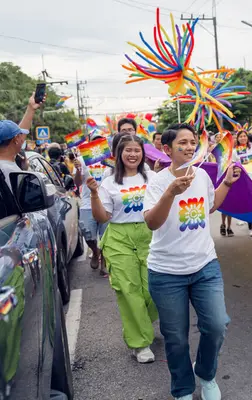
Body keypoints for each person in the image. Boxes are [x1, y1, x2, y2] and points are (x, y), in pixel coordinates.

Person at [143, 123, 241, 400]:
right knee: (175, 339)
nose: (188, 148)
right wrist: (171, 193)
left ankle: (206, 374)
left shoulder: (201, 176)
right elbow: (152, 222)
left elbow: (208, 206)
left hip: (205, 266)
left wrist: (226, 184)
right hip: (166, 273)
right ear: (167, 149)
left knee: (217, 324)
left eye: (191, 143)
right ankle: (182, 389)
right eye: (181, 144)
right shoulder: (159, 181)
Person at [85, 135, 158, 363]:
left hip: (151, 236)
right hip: (119, 238)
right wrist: (95, 195)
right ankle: (140, 343)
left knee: (153, 291)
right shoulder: (109, 183)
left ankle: (138, 325)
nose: (133, 154)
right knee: (129, 291)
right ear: (118, 154)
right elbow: (102, 216)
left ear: (142, 153)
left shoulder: (153, 178)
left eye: (137, 150)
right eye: (128, 150)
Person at [74, 130, 110, 276]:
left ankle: (104, 264)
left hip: (107, 203)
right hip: (87, 204)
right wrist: (77, 170)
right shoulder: (82, 160)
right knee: (88, 234)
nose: (98, 142)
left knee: (106, 236)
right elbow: (77, 183)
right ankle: (95, 252)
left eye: (101, 140)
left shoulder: (110, 159)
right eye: (95, 140)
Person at [0, 92, 43, 189]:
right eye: (20, 135)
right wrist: (27, 171)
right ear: (15, 139)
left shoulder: (8, 166)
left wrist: (31, 108)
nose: (23, 138)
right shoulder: (9, 172)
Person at [232, 129, 252, 237]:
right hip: (241, 178)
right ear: (237, 139)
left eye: (245, 136)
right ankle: (246, 221)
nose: (243, 138)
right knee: (244, 201)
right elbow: (233, 163)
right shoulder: (235, 151)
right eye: (241, 136)